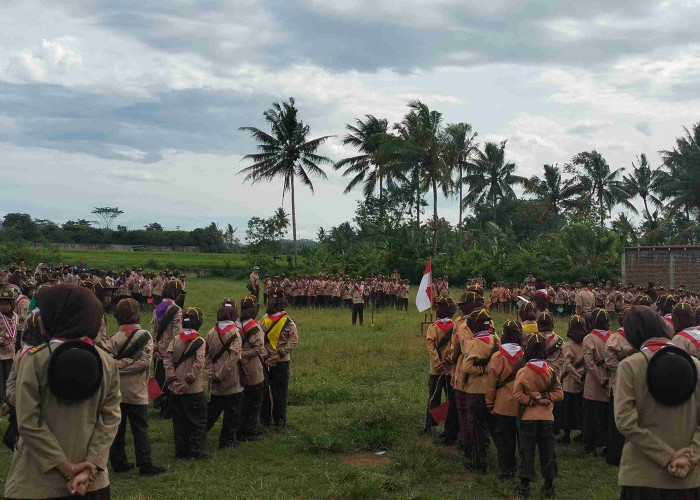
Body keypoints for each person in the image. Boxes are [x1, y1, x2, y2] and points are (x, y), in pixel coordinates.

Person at [5, 284, 121, 499]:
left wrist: (64, 466)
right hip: (91, 482)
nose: (39, 318)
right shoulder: (107, 362)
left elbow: (28, 421)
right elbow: (110, 419)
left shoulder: (34, 360)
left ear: (55, 316)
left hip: (37, 481)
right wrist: (90, 466)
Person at [615, 305, 700, 499]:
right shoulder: (695, 365)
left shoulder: (630, 366)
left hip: (641, 475)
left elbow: (625, 421)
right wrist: (690, 457)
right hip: (687, 475)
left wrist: (668, 456)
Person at [106, 299, 165, 476]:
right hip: (137, 392)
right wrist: (129, 363)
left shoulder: (113, 339)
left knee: (118, 429)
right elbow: (145, 363)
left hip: (117, 392)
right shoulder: (145, 336)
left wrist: (119, 367)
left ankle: (118, 462)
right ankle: (145, 464)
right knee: (140, 429)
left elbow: (108, 364)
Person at [513, 333, 564, 499]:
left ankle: (524, 486)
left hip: (528, 418)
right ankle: (549, 485)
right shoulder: (550, 372)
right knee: (548, 451)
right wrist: (545, 397)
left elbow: (517, 394)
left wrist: (531, 400)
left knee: (526, 451)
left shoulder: (523, 372)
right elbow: (559, 394)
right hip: (547, 418)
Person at [164, 307, 207, 460]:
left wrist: (173, 381)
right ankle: (196, 451)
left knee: (179, 422)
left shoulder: (175, 339)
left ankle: (180, 452)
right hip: (193, 389)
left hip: (175, 388)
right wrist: (187, 382)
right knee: (198, 422)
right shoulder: (200, 341)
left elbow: (167, 360)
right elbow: (199, 364)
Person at [460, 308, 499, 472]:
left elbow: (467, 367)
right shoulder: (496, 340)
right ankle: (505, 460)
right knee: (495, 426)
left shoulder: (472, 344)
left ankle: (480, 463)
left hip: (475, 391)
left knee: (476, 428)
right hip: (493, 390)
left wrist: (482, 370)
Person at [486, 320, 524, 480]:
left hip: (503, 406)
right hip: (524, 406)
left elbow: (491, 384)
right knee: (523, 441)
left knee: (505, 440)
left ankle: (507, 470)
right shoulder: (527, 355)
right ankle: (524, 469)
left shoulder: (497, 357)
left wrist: (489, 402)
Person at [204, 299, 243, 449]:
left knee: (212, 410)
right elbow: (234, 357)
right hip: (231, 378)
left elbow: (206, 356)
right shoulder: (235, 332)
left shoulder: (211, 332)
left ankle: (199, 434)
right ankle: (226, 441)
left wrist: (211, 374)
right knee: (232, 412)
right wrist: (221, 374)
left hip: (214, 380)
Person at [259, 287, 298, 428]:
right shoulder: (288, 321)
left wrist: (266, 356)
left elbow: (258, 341)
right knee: (280, 392)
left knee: (265, 391)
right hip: (282, 361)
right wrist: (279, 354)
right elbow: (293, 341)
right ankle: (279, 421)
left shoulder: (262, 321)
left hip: (264, 362)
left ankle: (264, 421)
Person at [424, 296, 458, 444]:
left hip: (436, 370)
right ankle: (449, 428)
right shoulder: (455, 327)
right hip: (450, 369)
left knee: (433, 397)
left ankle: (429, 425)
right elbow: (455, 346)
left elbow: (431, 347)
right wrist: (449, 360)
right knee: (451, 399)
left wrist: (438, 363)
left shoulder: (433, 327)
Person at [604, 306, 635, 466]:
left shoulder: (615, 338)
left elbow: (609, 362)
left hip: (620, 384)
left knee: (618, 421)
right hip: (631, 383)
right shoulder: (638, 337)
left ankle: (616, 454)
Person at [151, 279, 184, 415]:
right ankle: (166, 407)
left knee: (158, 376)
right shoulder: (177, 310)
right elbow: (177, 334)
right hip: (170, 349)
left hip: (158, 348)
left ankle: (157, 401)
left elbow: (153, 330)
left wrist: (155, 347)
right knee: (169, 378)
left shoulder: (157, 308)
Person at [582, 308, 612, 455]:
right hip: (610, 378)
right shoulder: (614, 338)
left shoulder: (589, 339)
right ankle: (605, 442)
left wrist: (600, 380)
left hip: (594, 381)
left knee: (592, 414)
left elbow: (589, 363)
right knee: (606, 413)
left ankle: (590, 443)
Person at [238, 295, 265, 441]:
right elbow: (258, 348)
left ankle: (240, 429)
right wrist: (243, 355)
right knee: (254, 402)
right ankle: (250, 431)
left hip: (237, 369)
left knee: (242, 401)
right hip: (252, 368)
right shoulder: (254, 327)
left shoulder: (235, 324)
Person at [560, 315, 586, 445]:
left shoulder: (567, 345)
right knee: (580, 410)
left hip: (570, 382)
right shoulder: (587, 343)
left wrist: (577, 377)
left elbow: (567, 365)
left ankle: (566, 435)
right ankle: (581, 434)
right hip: (583, 382)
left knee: (568, 411)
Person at [0, 290, 18, 404]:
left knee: (10, 377)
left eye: (6, 304)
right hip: (1, 354)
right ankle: (2, 398)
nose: (3, 306)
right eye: (1, 304)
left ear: (11, 305)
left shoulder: (15, 316)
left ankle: (9, 397)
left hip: (11, 352)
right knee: (1, 376)